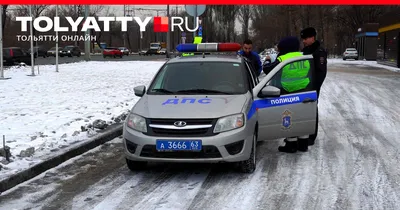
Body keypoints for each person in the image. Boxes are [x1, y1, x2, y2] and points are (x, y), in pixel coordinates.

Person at [263, 36, 312, 153]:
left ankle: (291, 144)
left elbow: (267, 70)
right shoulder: (304, 57)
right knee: (302, 118)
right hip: (304, 91)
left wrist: (268, 60)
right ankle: (303, 144)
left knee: (289, 118)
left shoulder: (283, 58)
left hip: (287, 92)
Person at [300, 27, 328, 146]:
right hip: (304, 86)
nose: (304, 41)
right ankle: (303, 133)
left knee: (312, 109)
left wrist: (313, 89)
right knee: (303, 110)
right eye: (303, 39)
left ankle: (311, 136)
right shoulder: (307, 50)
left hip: (312, 87)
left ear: (312, 37)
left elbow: (321, 73)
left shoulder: (318, 51)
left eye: (305, 38)